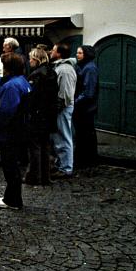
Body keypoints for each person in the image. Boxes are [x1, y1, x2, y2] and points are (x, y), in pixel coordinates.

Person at [0, 53, 32, 210]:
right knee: (13, 165)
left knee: (10, 166)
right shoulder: (22, 82)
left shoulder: (11, 86)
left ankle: (13, 199)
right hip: (20, 129)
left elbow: (7, 111)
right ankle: (11, 196)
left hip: (11, 131)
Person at [24, 48, 58, 186]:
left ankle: (35, 176)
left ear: (37, 59)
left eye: (31, 58)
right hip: (49, 115)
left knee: (35, 147)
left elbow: (33, 98)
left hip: (38, 115)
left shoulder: (36, 75)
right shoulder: (51, 72)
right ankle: (45, 176)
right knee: (45, 146)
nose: (30, 61)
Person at [50, 43, 77, 179]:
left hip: (63, 107)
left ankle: (66, 167)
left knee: (64, 136)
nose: (51, 52)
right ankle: (62, 164)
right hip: (61, 106)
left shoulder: (65, 70)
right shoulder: (61, 67)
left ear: (59, 53)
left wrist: (57, 107)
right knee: (59, 137)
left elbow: (65, 93)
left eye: (53, 50)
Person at [73, 45, 99, 171]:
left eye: (80, 53)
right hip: (83, 107)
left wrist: (75, 102)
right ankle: (84, 160)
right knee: (82, 135)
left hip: (86, 108)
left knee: (86, 135)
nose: (77, 55)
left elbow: (88, 92)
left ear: (86, 54)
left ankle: (88, 161)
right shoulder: (84, 66)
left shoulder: (90, 68)